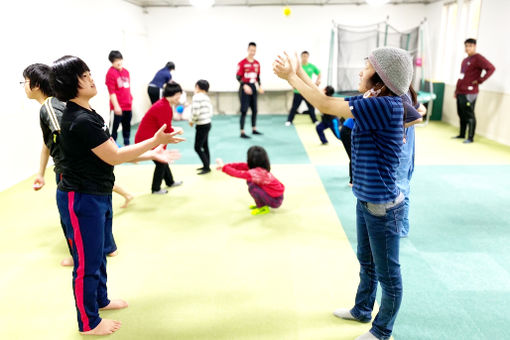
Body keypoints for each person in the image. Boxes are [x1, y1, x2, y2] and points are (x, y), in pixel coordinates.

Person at [274, 47, 422, 340]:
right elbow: (325, 98)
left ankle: (381, 331)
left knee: (389, 275)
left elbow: (325, 105)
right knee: (366, 260)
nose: (359, 71)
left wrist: (291, 77)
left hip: (383, 206)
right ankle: (362, 309)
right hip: (366, 200)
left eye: (366, 67)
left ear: (381, 79)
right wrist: (299, 72)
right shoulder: (376, 98)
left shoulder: (384, 105)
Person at [51, 55, 184, 335]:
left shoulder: (91, 115)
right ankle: (88, 322)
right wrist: (155, 142)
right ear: (69, 83)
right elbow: (115, 156)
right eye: (84, 76)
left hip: (98, 193)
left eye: (89, 73)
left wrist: (152, 154)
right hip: (81, 197)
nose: (91, 78)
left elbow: (112, 150)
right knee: (86, 261)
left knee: (98, 254)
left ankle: (100, 299)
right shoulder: (78, 120)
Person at [23, 63, 133, 269]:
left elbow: (64, 137)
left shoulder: (49, 107)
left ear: (36, 85)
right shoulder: (61, 104)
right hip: (85, 171)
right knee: (100, 207)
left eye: (25, 82)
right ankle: (107, 247)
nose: (24, 86)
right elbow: (48, 143)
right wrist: (40, 173)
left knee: (73, 218)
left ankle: (81, 256)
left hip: (70, 172)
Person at [135, 81, 184, 194]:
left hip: (150, 137)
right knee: (161, 161)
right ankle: (155, 188)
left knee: (163, 159)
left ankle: (170, 182)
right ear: (174, 94)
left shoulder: (164, 104)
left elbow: (165, 126)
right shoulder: (163, 106)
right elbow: (166, 129)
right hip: (147, 139)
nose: (179, 98)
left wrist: (175, 129)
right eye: (179, 95)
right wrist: (178, 130)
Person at [216, 146, 284, 216]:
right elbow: (240, 166)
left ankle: (262, 207)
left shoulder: (257, 173)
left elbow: (237, 173)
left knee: (253, 187)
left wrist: (224, 167)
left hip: (275, 201)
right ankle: (261, 204)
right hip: (275, 197)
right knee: (252, 183)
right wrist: (225, 166)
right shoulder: (259, 167)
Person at [397, 87, 427, 238]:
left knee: (401, 187)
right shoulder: (400, 91)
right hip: (405, 150)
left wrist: (400, 124)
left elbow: (420, 113)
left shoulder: (401, 93)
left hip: (403, 150)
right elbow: (421, 110)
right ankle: (400, 227)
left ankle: (401, 228)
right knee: (400, 186)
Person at [453, 38, 495, 144]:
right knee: (461, 113)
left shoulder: (478, 58)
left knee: (469, 114)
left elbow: (491, 68)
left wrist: (480, 80)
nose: (468, 48)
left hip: (470, 92)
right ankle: (462, 134)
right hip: (460, 91)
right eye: (466, 46)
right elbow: (461, 76)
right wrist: (456, 90)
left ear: (475, 46)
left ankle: (470, 137)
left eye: (470, 46)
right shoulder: (465, 60)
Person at [236, 42, 264, 138]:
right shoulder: (242, 63)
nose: (252, 52)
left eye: (254, 50)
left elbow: (258, 77)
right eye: (251, 50)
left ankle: (254, 129)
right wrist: (244, 86)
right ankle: (242, 131)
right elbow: (238, 77)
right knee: (244, 110)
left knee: (255, 110)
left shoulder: (257, 63)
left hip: (253, 87)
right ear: (248, 50)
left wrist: (259, 86)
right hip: (244, 88)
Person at [105, 50, 133, 146]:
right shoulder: (110, 73)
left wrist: (130, 99)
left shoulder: (126, 72)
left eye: (120, 59)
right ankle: (112, 148)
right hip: (117, 107)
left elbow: (127, 88)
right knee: (114, 129)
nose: (118, 62)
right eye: (116, 60)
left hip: (128, 105)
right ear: (112, 62)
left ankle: (127, 144)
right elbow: (111, 92)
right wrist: (116, 106)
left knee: (127, 127)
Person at [286, 51, 321, 126]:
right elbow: (291, 75)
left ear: (308, 57)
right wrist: (292, 84)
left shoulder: (311, 66)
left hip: (308, 91)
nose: (304, 58)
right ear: (301, 57)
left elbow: (319, 73)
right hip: (298, 91)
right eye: (303, 56)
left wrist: (318, 80)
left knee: (311, 106)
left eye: (306, 56)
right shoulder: (297, 67)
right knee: (294, 107)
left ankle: (314, 120)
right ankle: (289, 120)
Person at [189, 79, 213, 175]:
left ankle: (206, 167)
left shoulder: (196, 97)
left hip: (201, 124)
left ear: (197, 87)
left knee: (197, 147)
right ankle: (206, 165)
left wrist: (192, 121)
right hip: (207, 123)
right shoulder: (206, 97)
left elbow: (195, 112)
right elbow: (210, 111)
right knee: (205, 145)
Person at [340, 117, 355, 186]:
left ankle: (353, 178)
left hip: (348, 129)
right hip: (347, 131)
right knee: (354, 156)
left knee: (353, 156)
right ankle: (352, 181)